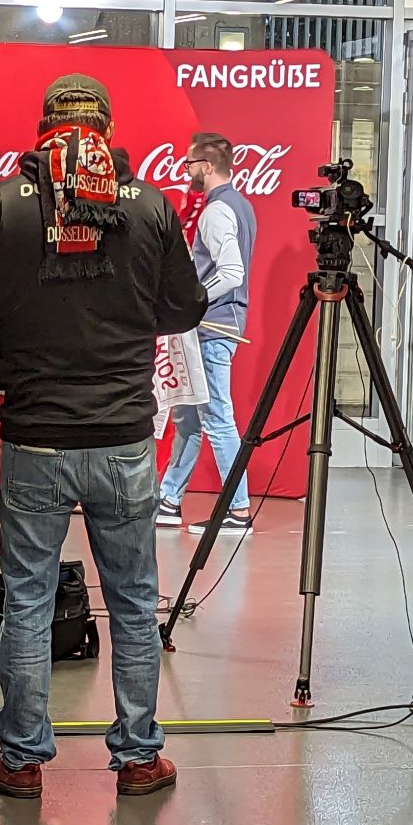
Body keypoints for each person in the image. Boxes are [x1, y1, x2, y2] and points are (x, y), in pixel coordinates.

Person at [0, 74, 207, 800]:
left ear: (43, 128)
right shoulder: (148, 205)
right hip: (123, 437)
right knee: (131, 600)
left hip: (36, 439)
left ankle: (21, 760)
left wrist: (11, 300)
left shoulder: (3, 206)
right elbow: (185, 305)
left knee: (25, 599)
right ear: (108, 130)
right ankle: (140, 756)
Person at [158, 131, 257, 535]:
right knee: (188, 416)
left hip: (213, 326)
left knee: (216, 417)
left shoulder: (217, 211)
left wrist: (194, 299)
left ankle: (238, 510)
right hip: (216, 325)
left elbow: (232, 272)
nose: (186, 171)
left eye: (189, 164)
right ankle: (168, 500)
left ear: (207, 167)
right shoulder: (241, 205)